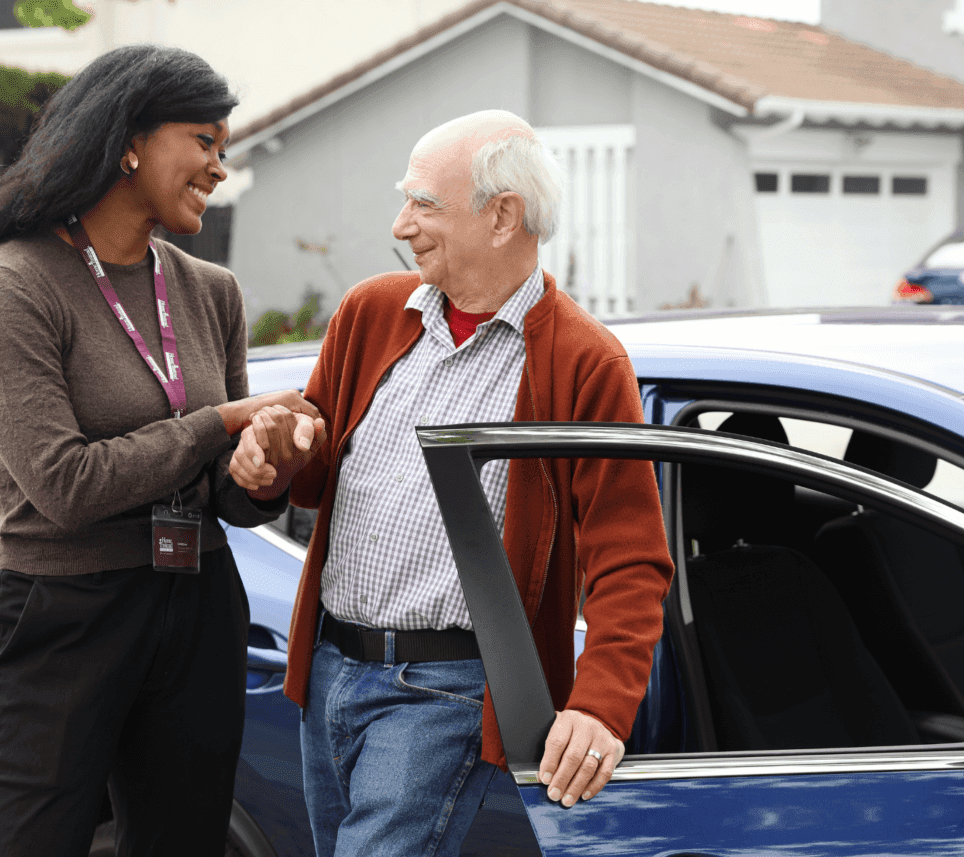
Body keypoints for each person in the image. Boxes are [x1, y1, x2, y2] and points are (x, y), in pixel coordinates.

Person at [230, 110, 673, 857]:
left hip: (445, 691)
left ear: (503, 216)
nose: (401, 223)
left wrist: (600, 707)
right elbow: (318, 465)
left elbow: (630, 560)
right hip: (327, 670)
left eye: (424, 203)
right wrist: (275, 459)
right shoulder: (371, 312)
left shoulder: (584, 361)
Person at [0, 45, 324, 857]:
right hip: (62, 609)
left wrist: (264, 468)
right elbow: (64, 484)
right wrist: (218, 424)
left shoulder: (211, 290)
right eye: (205, 140)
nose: (221, 165)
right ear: (129, 141)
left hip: (197, 600)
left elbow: (226, 491)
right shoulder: (20, 282)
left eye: (225, 145)